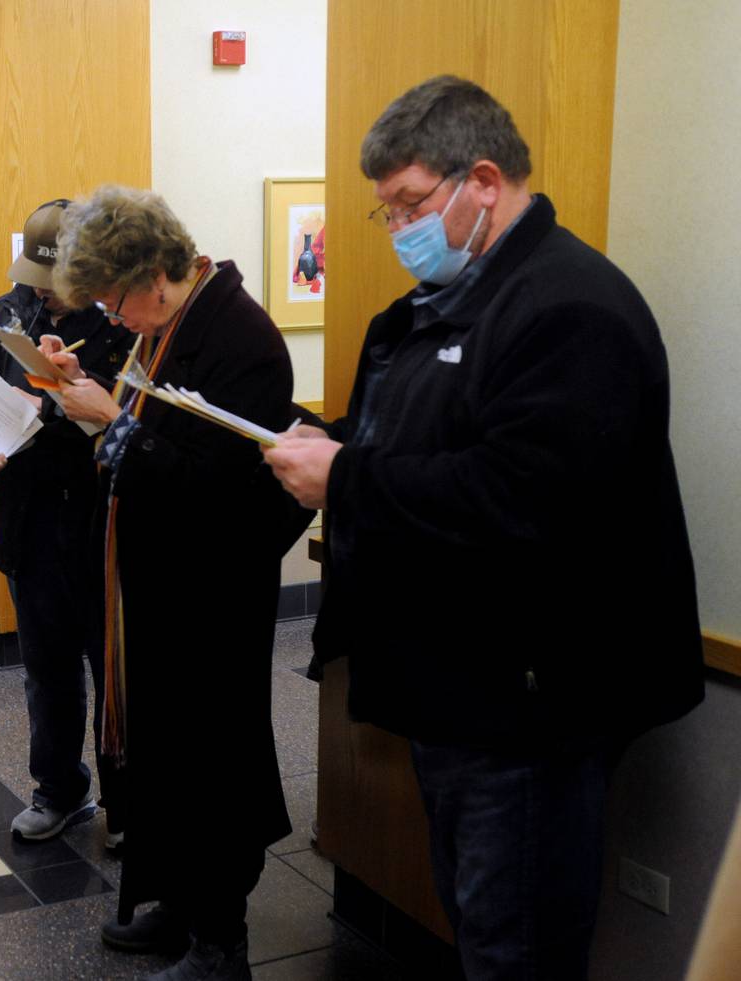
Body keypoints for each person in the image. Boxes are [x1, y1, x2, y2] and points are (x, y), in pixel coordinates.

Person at [263, 76, 705, 979]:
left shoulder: (570, 306)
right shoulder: (451, 302)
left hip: (531, 700)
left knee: (518, 946)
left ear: (486, 182)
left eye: (410, 205)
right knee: (479, 916)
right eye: (384, 212)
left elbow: (523, 499)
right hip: (458, 685)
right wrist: (339, 443)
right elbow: (425, 439)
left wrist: (346, 476)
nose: (397, 231)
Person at [50, 185, 313, 981]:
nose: (111, 315)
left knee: (212, 760)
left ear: (156, 271)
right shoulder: (167, 323)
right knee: (163, 756)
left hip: (212, 596)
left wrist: (113, 424)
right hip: (155, 589)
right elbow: (150, 429)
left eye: (114, 298)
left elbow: (224, 489)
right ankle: (176, 903)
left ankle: (219, 941)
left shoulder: (242, 339)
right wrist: (84, 394)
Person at [0, 200, 133, 842]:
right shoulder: (8, 309)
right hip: (28, 515)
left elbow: (130, 420)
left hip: (97, 520)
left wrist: (59, 404)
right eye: (35, 276)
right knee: (46, 664)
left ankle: (128, 804)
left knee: (113, 667)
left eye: (54, 280)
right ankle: (59, 790)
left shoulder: (123, 325)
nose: (41, 291)